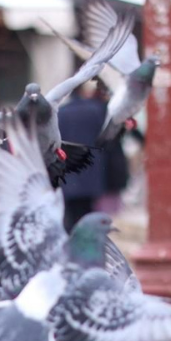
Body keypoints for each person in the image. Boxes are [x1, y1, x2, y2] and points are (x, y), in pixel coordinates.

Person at [58, 81, 129, 231]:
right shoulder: (97, 110)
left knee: (70, 215)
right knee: (88, 213)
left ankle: (71, 246)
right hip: (91, 172)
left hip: (67, 173)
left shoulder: (61, 112)